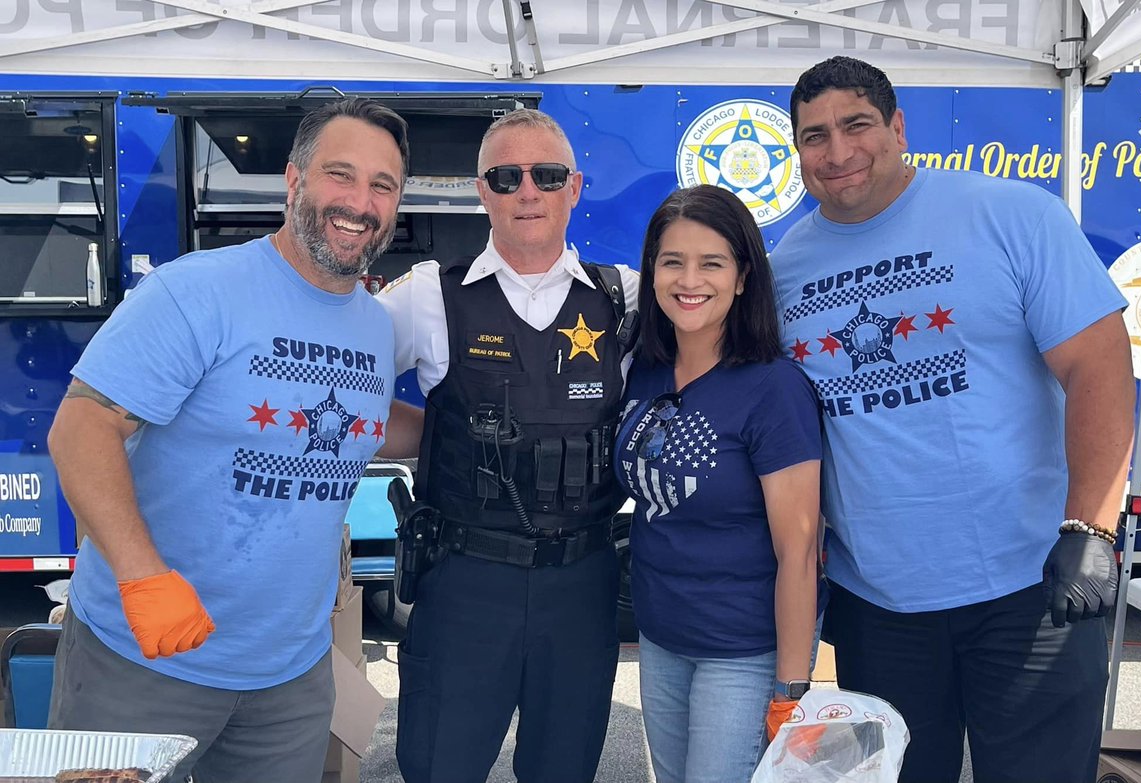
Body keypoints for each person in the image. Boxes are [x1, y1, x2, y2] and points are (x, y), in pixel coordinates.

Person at [771, 56, 1135, 783]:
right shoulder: (783, 269)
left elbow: (1098, 365)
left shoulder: (1011, 215)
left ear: (899, 126)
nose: (837, 152)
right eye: (815, 136)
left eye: (857, 125)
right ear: (797, 151)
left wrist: (1091, 527)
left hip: (1030, 590)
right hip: (879, 607)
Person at [45, 97, 406, 783]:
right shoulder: (198, 292)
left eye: (382, 185)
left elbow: (361, 420)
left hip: (290, 682)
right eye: (341, 174)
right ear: (294, 180)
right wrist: (141, 573)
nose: (360, 201)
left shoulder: (374, 325)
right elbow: (82, 425)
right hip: (142, 662)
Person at [376, 108, 640, 783]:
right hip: (466, 581)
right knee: (440, 767)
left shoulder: (627, 301)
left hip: (581, 583)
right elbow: (341, 388)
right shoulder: (429, 297)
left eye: (547, 175)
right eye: (507, 175)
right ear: (482, 190)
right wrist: (433, 431)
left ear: (574, 188)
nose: (528, 191)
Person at [613, 184, 822, 783]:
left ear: (742, 276)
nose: (690, 279)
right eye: (672, 261)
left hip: (744, 650)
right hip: (661, 636)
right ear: (651, 271)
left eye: (712, 263)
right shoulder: (646, 371)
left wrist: (790, 687)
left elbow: (799, 549)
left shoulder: (773, 388)